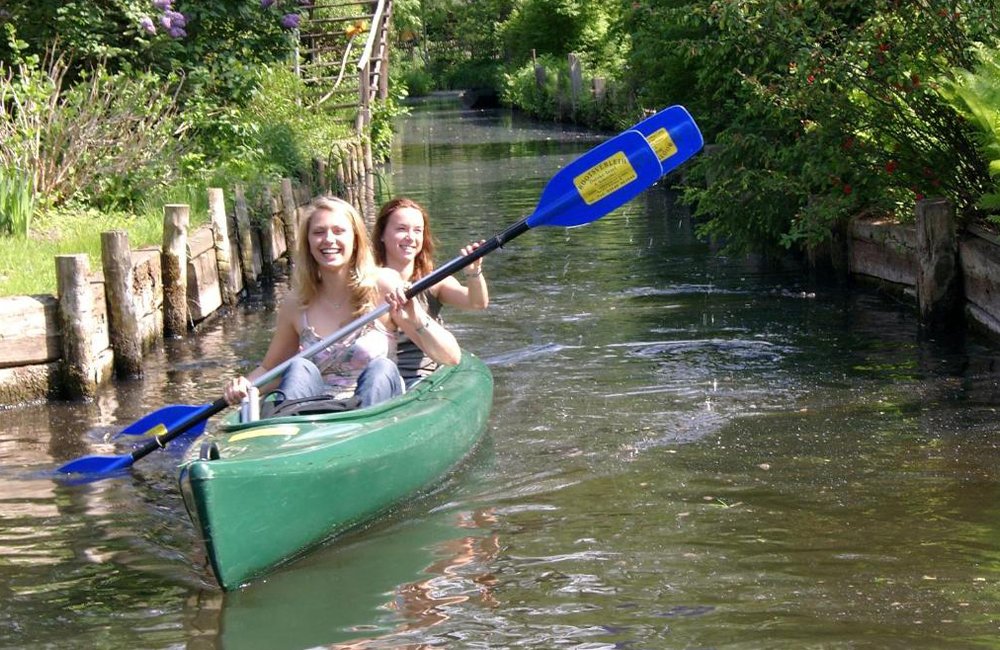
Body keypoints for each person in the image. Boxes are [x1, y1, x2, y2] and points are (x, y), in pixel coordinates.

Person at [223, 195, 461, 411]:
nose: (329, 240)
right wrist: (243, 385)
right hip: (318, 410)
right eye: (319, 232)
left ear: (355, 240)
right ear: (308, 242)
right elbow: (270, 371)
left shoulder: (384, 284)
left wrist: (416, 317)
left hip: (377, 406)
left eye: (339, 231)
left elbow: (451, 357)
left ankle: (363, 434)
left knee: (381, 369)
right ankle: (288, 437)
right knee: (298, 368)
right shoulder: (296, 304)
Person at [373, 197, 489, 387]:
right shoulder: (366, 281)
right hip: (377, 375)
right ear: (382, 235)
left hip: (421, 377)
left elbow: (477, 302)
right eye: (401, 229)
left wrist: (474, 271)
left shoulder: (434, 282)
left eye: (417, 230)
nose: (410, 237)